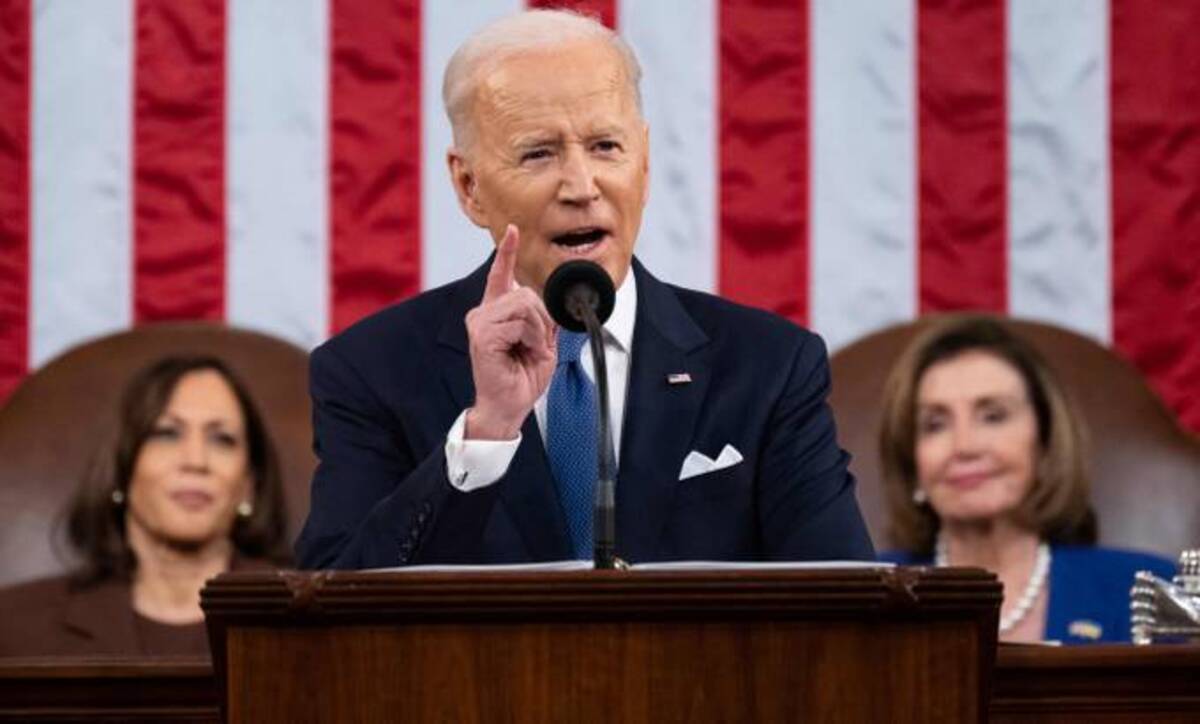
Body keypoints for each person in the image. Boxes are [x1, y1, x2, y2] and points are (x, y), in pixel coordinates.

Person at [295, 9, 874, 569]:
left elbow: (844, 606)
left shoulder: (769, 366)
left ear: (643, 165)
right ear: (469, 187)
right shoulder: (370, 371)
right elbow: (336, 610)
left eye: (605, 147)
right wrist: (487, 433)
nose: (581, 185)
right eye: (538, 153)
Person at [876, 315, 1175, 644]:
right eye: (935, 424)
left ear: (1044, 443)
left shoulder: (1148, 593)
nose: (965, 446)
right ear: (911, 460)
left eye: (993, 416)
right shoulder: (864, 599)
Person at [0, 356, 290, 657]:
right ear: (122, 470)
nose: (196, 460)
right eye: (167, 433)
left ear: (249, 485)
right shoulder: (12, 627)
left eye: (222, 439)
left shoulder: (306, 625)